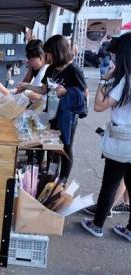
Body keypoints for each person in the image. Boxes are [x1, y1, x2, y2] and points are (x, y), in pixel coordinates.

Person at [17, 35, 88, 184]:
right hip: (51, 113)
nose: (46, 56)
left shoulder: (74, 70)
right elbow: (44, 89)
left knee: (65, 147)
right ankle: (51, 175)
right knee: (50, 145)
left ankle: (63, 179)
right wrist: (27, 86)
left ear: (57, 52)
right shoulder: (51, 69)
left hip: (67, 117)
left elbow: (84, 94)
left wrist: (66, 92)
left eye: (48, 52)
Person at [81, 32, 131, 242]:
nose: (113, 59)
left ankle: (97, 224)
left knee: (110, 184)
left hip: (122, 141)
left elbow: (99, 105)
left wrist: (104, 79)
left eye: (116, 55)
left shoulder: (126, 81)